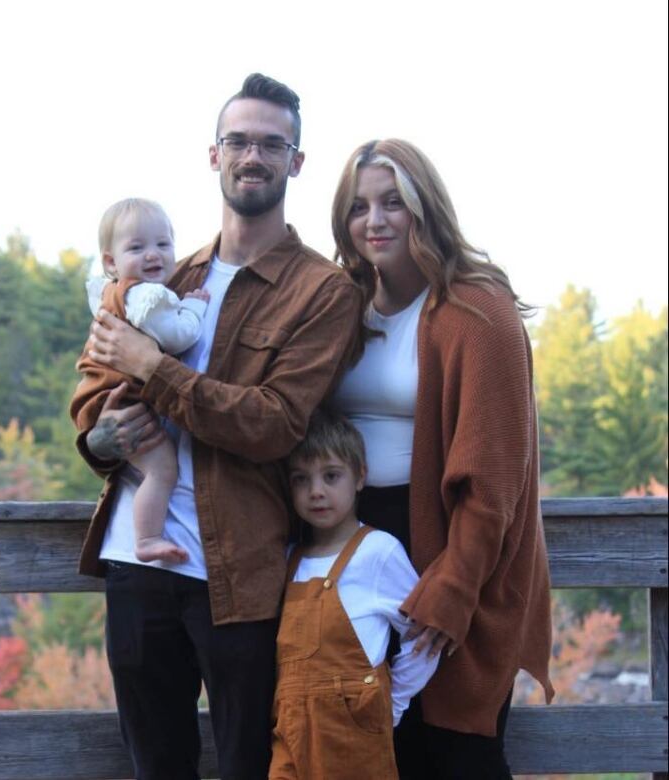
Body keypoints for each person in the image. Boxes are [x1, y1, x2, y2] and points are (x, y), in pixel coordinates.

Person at [73, 74, 361, 780]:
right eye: (239, 141)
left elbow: (274, 424)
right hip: (135, 565)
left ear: (295, 162)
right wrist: (101, 436)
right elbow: (92, 399)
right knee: (156, 766)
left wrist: (155, 368)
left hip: (236, 577)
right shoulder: (165, 273)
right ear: (215, 155)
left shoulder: (323, 292)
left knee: (250, 766)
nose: (252, 156)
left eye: (271, 144)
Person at [330, 138, 555, 779]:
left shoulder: (475, 309)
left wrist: (454, 589)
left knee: (456, 753)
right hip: (351, 544)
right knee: (372, 751)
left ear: (425, 206)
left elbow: (495, 481)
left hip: (442, 544)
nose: (374, 220)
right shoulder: (341, 303)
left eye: (393, 202)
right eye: (359, 206)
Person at [269, 409, 438, 780]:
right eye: (301, 479)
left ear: (359, 477)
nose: (316, 491)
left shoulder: (377, 551)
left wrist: (390, 706)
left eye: (331, 476)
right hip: (292, 731)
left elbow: (421, 635)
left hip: (355, 734)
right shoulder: (288, 559)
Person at [72, 197, 209, 564]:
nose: (153, 255)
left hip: (98, 398)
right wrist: (195, 306)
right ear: (110, 262)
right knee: (162, 468)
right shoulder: (144, 295)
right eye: (137, 247)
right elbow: (179, 335)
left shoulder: (110, 292)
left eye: (163, 245)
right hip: (121, 402)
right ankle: (147, 539)